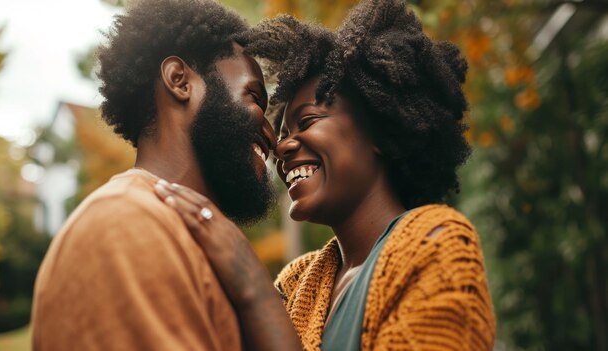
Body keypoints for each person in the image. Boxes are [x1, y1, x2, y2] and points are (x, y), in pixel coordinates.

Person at [155, 0, 496, 350]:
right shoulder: (297, 283)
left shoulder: (435, 244)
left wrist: (252, 287)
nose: (282, 147)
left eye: (308, 122)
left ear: (378, 132)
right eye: (283, 133)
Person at [30, 0, 302, 350]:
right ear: (180, 81)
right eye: (253, 96)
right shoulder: (125, 225)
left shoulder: (192, 237)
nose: (271, 135)